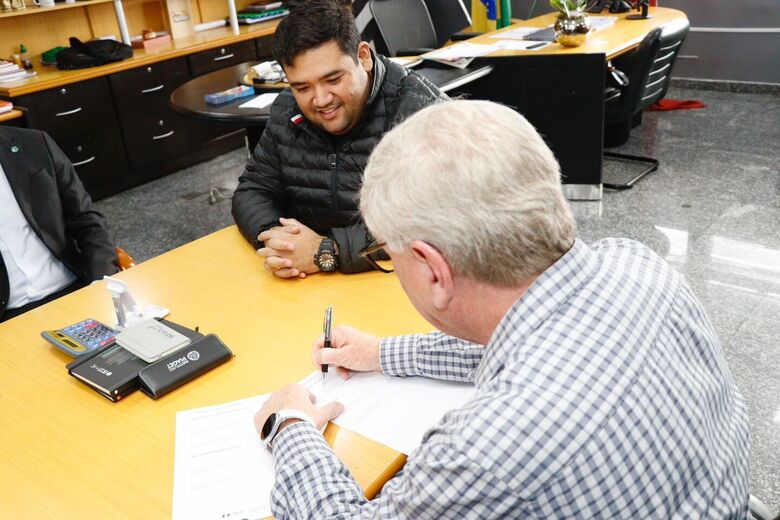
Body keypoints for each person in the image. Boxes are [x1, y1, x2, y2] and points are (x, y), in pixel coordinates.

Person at [254, 100, 752, 518]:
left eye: (386, 252)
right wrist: (383, 353)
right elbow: (531, 339)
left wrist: (290, 428)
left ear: (433, 270)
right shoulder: (637, 264)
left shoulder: (487, 451)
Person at [231, 0, 448, 279]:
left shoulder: (418, 109)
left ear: (364, 56)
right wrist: (280, 242)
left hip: (400, 284)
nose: (320, 100)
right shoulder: (288, 109)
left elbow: (437, 217)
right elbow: (254, 189)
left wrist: (328, 251)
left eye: (333, 79)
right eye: (303, 87)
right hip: (311, 286)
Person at [0, 127, 117, 322]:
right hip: (9, 316)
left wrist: (99, 285)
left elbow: (88, 221)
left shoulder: (35, 143)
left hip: (74, 290)